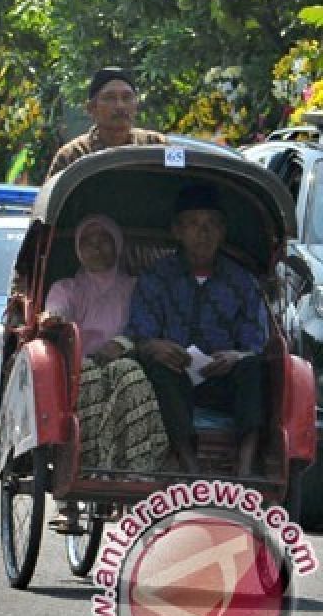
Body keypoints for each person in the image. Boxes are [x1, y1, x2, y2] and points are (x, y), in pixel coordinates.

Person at [101, 184, 267, 476]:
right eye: (193, 224)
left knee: (253, 367)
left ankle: (245, 465)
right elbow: (139, 333)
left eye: (211, 225)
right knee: (158, 367)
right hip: (174, 382)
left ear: (222, 231)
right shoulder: (155, 277)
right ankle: (189, 465)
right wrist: (156, 346)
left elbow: (256, 341)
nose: (203, 233)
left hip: (223, 380)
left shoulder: (242, 282)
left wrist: (236, 357)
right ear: (177, 231)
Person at [41, 215, 169, 474]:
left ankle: (137, 468)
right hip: (80, 364)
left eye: (104, 240)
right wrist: (52, 317)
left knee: (131, 376)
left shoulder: (136, 287)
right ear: (78, 249)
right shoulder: (67, 288)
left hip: (127, 358)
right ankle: (84, 469)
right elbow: (57, 310)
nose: (96, 247)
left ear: (118, 246)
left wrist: (121, 345)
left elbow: (145, 326)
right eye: (88, 241)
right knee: (89, 375)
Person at [45, 67, 165, 180]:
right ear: (91, 108)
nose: (120, 106)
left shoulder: (156, 145)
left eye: (127, 97)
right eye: (110, 98)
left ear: (136, 106)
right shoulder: (72, 156)